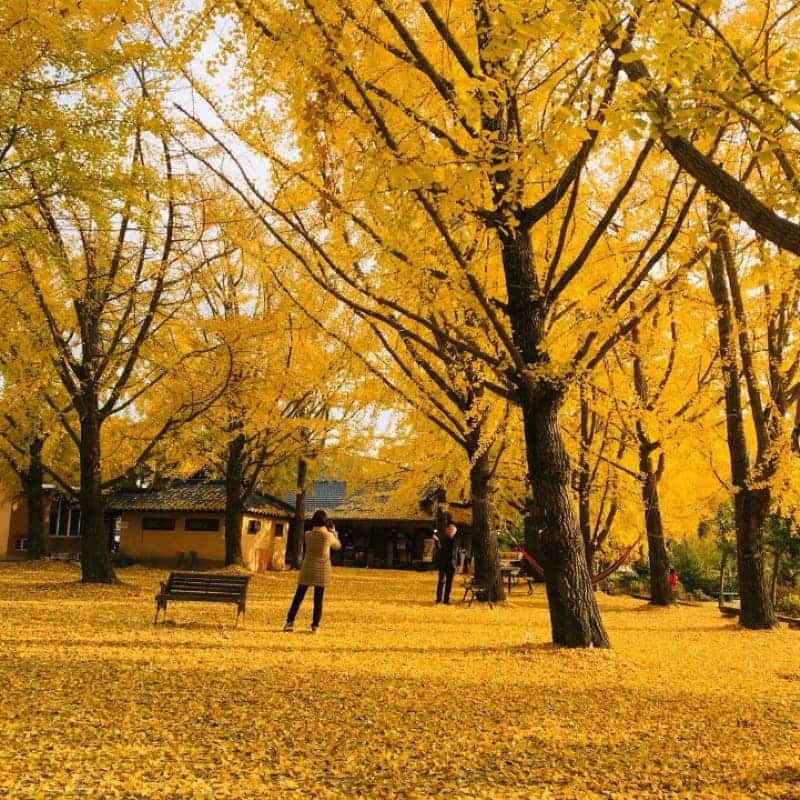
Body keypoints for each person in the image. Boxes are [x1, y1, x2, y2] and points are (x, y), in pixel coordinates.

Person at [283, 509, 341, 633]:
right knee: (318, 599)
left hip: (307, 567)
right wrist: (334, 532)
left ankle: (289, 622)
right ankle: (315, 625)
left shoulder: (307, 534)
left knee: (298, 596)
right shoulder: (328, 536)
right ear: (325, 522)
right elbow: (337, 546)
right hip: (322, 569)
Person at [433, 522, 459, 604]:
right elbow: (439, 550)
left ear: (455, 532)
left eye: (452, 531)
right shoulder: (443, 539)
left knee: (449, 583)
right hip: (443, 563)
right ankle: (439, 599)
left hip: (452, 564)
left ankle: (446, 600)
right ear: (447, 531)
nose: (451, 532)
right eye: (449, 530)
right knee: (441, 582)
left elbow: (456, 554)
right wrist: (437, 542)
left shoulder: (456, 540)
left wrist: (456, 564)